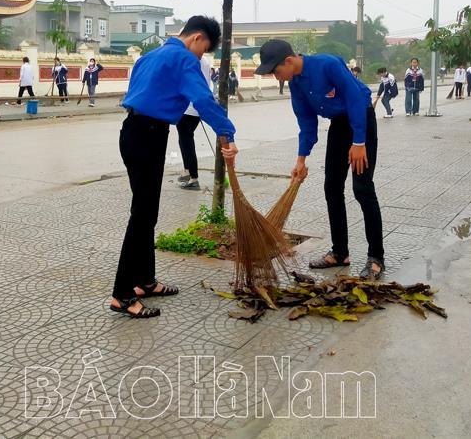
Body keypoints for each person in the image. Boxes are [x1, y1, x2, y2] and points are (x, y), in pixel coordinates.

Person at [111, 16, 238, 319]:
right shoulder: (184, 59)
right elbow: (203, 99)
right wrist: (227, 132)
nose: (201, 56)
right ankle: (122, 294)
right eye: (203, 50)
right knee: (142, 215)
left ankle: (144, 281)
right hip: (148, 136)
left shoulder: (148, 57)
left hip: (133, 132)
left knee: (147, 212)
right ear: (197, 38)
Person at [256, 39, 385, 280]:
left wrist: (359, 142)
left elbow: (355, 98)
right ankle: (340, 252)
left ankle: (376, 257)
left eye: (276, 71)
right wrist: (301, 160)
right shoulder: (296, 84)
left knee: (362, 188)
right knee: (332, 187)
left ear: (288, 60)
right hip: (339, 125)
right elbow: (307, 123)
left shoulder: (327, 64)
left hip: (361, 119)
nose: (276, 77)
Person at [176, 55, 213, 191]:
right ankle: (187, 171)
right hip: (197, 107)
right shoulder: (205, 61)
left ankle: (193, 177)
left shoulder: (190, 59)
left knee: (186, 142)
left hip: (188, 107)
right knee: (185, 140)